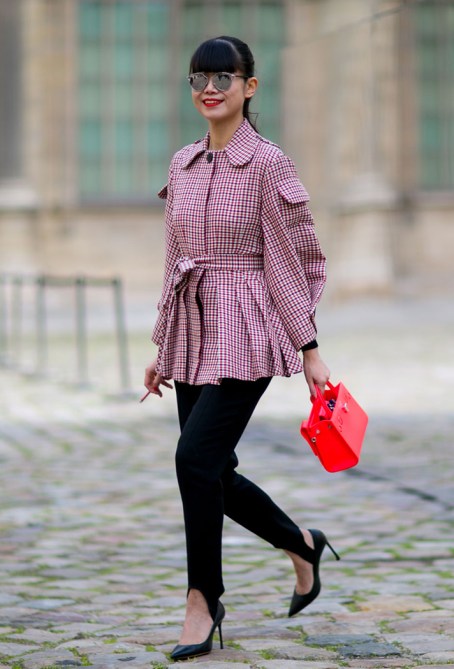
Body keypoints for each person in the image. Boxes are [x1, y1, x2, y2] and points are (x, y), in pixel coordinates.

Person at [143, 36, 339, 662]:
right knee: (213, 470)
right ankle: (301, 543)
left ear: (249, 87)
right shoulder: (182, 162)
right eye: (199, 77)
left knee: (194, 458)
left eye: (223, 77)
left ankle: (203, 599)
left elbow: (289, 259)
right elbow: (174, 258)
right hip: (193, 326)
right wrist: (162, 344)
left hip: (249, 328)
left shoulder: (268, 164)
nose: (210, 88)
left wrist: (308, 347)